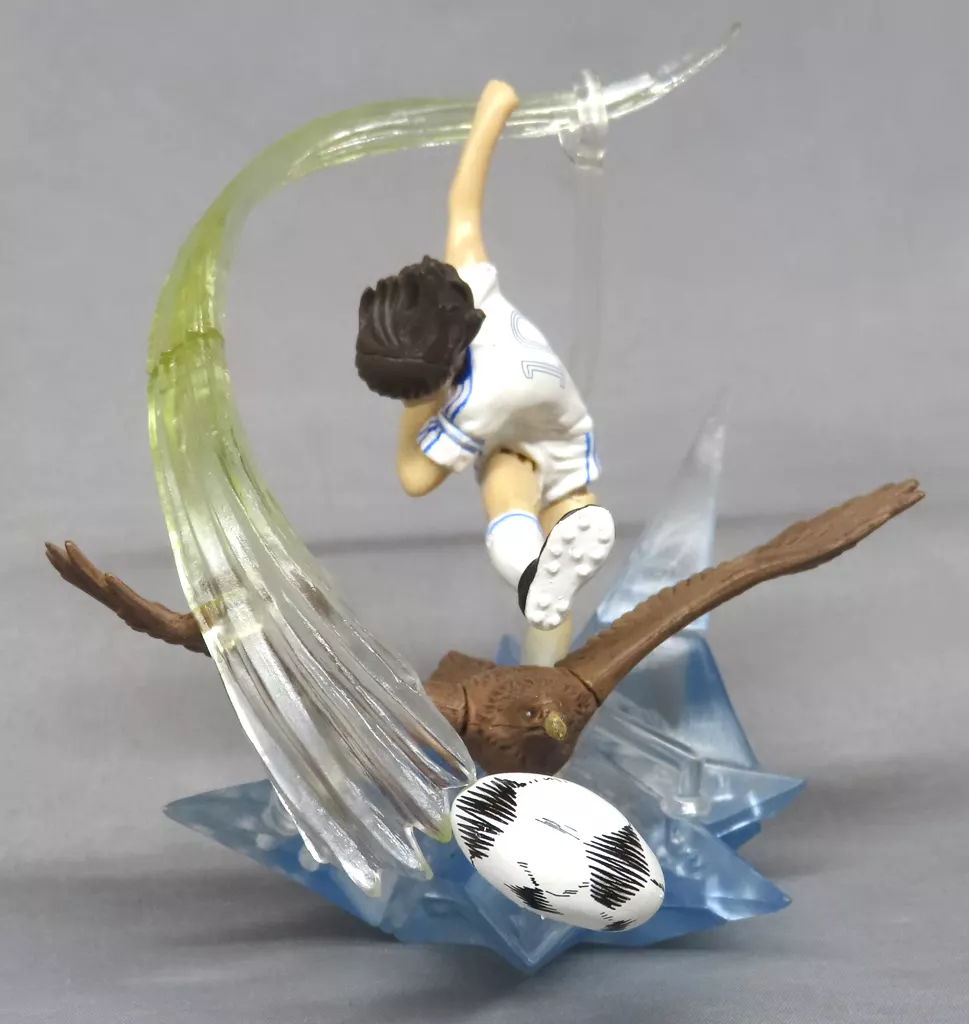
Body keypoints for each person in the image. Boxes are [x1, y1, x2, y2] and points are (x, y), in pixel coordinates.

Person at [356, 80, 615, 640]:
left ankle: (530, 574)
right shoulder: (472, 289)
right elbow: (463, 204)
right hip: (566, 431)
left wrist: (415, 405)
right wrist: (493, 109)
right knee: (565, 499)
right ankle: (570, 527)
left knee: (505, 491)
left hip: (516, 435)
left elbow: (414, 477)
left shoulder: (471, 405)